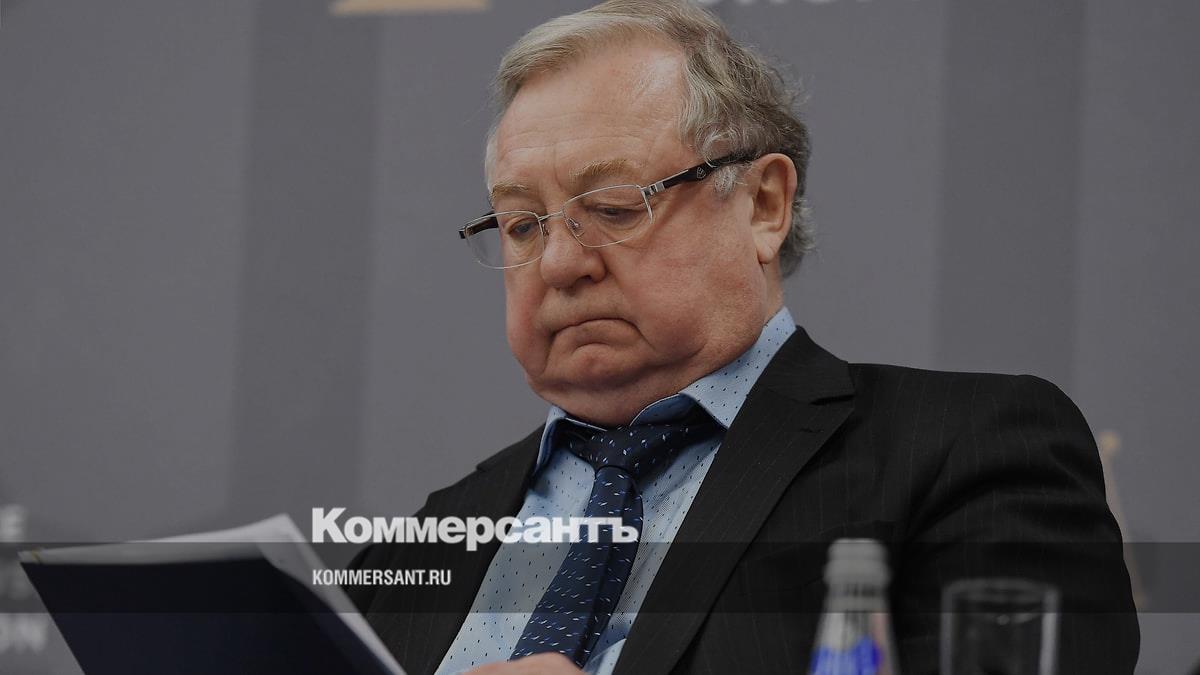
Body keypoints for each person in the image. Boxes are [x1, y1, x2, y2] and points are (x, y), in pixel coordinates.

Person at [346, 2, 1139, 673]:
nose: (558, 262)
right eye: (523, 224)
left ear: (763, 205)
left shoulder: (965, 452)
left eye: (614, 207)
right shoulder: (415, 547)